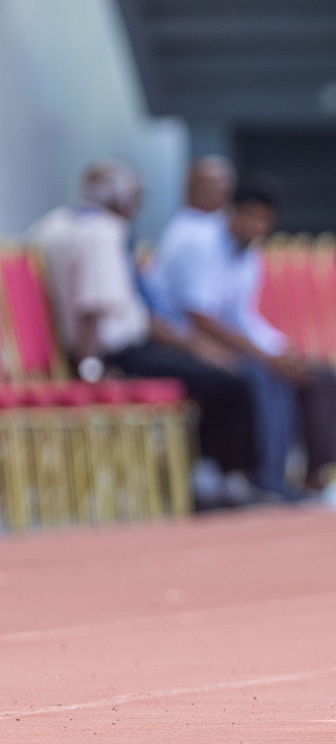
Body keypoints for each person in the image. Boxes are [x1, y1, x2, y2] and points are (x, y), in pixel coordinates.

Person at [27, 158, 260, 507]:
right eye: (136, 196)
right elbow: (94, 307)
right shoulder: (104, 233)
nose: (137, 206)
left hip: (101, 346)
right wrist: (88, 368)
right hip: (114, 352)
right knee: (228, 380)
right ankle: (216, 477)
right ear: (120, 198)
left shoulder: (53, 225)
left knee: (213, 369)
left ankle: (211, 474)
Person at [145, 176, 336, 507]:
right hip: (181, 340)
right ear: (230, 213)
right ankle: (264, 477)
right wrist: (264, 356)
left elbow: (243, 314)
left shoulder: (249, 255)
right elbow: (199, 316)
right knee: (262, 375)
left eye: (262, 220)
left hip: (224, 340)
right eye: (248, 217)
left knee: (318, 374)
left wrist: (281, 348)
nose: (254, 226)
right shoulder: (198, 242)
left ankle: (318, 479)